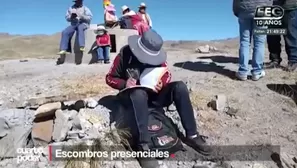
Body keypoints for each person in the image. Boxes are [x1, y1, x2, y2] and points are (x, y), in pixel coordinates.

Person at [105, 29, 212, 167]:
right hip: (132, 98)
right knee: (138, 94)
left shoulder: (158, 58)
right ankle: (143, 147)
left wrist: (162, 83)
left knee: (179, 87)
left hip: (153, 96)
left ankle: (192, 135)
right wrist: (125, 83)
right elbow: (109, 78)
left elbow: (166, 74)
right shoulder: (125, 54)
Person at [233, 0, 273, 81]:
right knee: (259, 42)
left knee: (245, 41)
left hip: (244, 9)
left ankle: (242, 72)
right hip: (262, 8)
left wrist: (237, 11)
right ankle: (257, 72)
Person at [265, 0, 297, 71]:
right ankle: (275, 60)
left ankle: (293, 61)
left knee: (290, 35)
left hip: (290, 7)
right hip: (273, 8)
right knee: (272, 35)